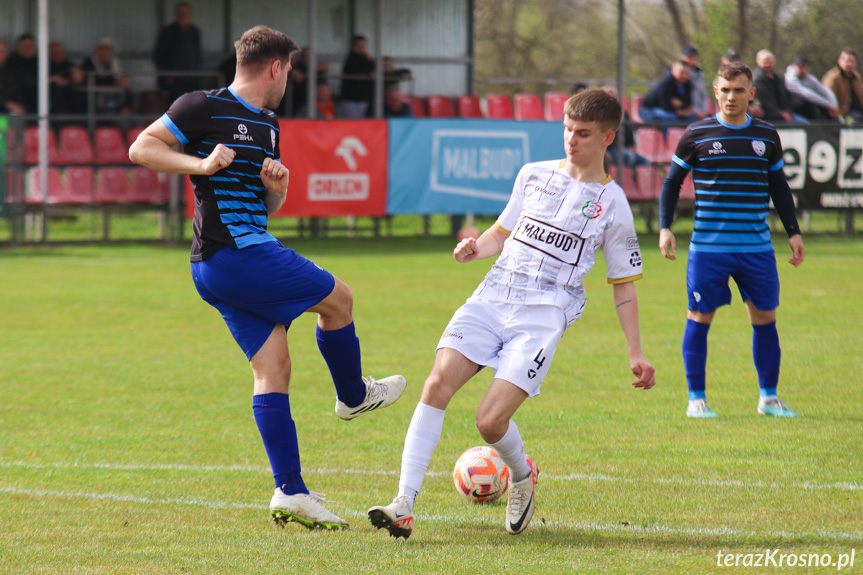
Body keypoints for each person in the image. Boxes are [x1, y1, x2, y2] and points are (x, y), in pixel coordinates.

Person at [128, 25, 406, 531]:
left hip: (227, 260)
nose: (290, 78)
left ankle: (290, 491)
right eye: (291, 69)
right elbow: (141, 148)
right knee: (339, 299)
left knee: (272, 369)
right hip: (235, 255)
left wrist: (276, 191)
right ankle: (352, 395)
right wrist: (202, 163)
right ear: (276, 67)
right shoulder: (201, 106)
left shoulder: (269, 123)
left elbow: (261, 209)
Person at [367, 89, 656, 540]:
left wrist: (635, 351)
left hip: (542, 316)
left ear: (608, 137)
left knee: (489, 422)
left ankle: (522, 475)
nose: (571, 140)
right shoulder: (533, 174)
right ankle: (403, 502)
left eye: (582, 133)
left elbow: (622, 285)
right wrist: (473, 249)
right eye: (566, 129)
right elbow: (502, 232)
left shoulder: (614, 204)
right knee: (436, 383)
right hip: (492, 297)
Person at [658, 61, 805, 419]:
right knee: (699, 316)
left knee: (765, 318)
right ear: (715, 92)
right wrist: (665, 227)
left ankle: (769, 399)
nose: (731, 97)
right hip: (709, 249)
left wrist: (794, 232)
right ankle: (697, 400)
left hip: (756, 248)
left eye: (739, 90)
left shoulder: (767, 135)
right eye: (724, 90)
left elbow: (779, 187)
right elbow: (671, 183)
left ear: (751, 93)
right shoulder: (696, 134)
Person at [154, 2, 203, 104]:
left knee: (192, 106)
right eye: (181, 13)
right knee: (176, 106)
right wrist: (167, 76)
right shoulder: (167, 32)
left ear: (190, 15)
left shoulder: (194, 32)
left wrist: (198, 73)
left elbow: (198, 54)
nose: (183, 16)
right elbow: (159, 55)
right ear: (176, 15)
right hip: (174, 80)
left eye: (186, 13)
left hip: (192, 78)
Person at [601, 84, 649, 168]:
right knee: (627, 157)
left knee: (644, 161)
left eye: (614, 95)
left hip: (623, 149)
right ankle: (622, 180)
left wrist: (631, 145)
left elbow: (629, 134)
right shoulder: (600, 115)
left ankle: (635, 181)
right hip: (609, 150)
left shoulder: (623, 113)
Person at [80, 38, 132, 116]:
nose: (104, 52)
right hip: (97, 106)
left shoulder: (116, 64)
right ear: (96, 50)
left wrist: (126, 106)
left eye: (107, 49)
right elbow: (95, 80)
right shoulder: (89, 63)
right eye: (102, 49)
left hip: (117, 104)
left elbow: (124, 84)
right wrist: (114, 82)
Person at [753, 49, 807, 124]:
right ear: (758, 62)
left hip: (787, 116)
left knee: (805, 123)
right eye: (765, 62)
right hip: (769, 118)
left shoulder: (780, 79)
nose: (768, 65)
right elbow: (765, 103)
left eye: (770, 62)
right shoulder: (756, 81)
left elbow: (788, 98)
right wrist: (780, 114)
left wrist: (788, 112)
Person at [639, 60, 698, 124]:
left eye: (687, 74)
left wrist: (682, 108)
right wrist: (678, 111)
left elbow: (688, 102)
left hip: (675, 112)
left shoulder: (687, 84)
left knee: (693, 119)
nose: (684, 76)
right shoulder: (665, 83)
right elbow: (665, 105)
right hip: (650, 110)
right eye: (681, 72)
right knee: (670, 118)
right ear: (673, 70)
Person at [785, 56, 839, 122]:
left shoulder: (808, 77)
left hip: (808, 109)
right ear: (794, 67)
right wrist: (828, 105)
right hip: (795, 109)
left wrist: (834, 106)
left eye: (805, 67)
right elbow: (808, 94)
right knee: (812, 105)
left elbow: (825, 91)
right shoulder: (790, 80)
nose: (803, 70)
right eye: (801, 67)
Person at [821, 47, 863, 124]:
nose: (850, 64)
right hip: (844, 115)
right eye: (847, 61)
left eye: (852, 61)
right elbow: (827, 98)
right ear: (839, 61)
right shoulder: (833, 78)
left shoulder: (856, 78)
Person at [339, 34, 374, 118]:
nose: (362, 49)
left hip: (363, 99)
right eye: (359, 46)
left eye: (363, 46)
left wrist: (371, 61)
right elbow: (356, 72)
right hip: (350, 100)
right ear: (353, 47)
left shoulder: (366, 59)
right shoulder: (351, 59)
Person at [49, 41, 85, 115]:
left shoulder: (71, 66)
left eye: (60, 52)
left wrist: (69, 81)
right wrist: (51, 79)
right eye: (55, 52)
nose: (58, 54)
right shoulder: (45, 66)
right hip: (54, 105)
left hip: (74, 104)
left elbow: (80, 80)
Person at [5, 34, 38, 114]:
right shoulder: (10, 62)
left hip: (36, 103)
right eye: (24, 45)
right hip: (14, 102)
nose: (28, 48)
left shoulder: (40, 62)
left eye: (30, 46)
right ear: (17, 47)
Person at [681, 46, 710, 119]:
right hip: (688, 113)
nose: (692, 60)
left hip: (701, 113)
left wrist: (704, 112)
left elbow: (703, 95)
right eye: (690, 57)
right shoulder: (679, 75)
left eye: (694, 57)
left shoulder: (700, 73)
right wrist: (696, 112)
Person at [0, 39, 27, 115]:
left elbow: (17, 91)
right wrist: (6, 103)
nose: (4, 54)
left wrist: (19, 105)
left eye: (5, 51)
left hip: (10, 112)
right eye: (1, 51)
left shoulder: (10, 69)